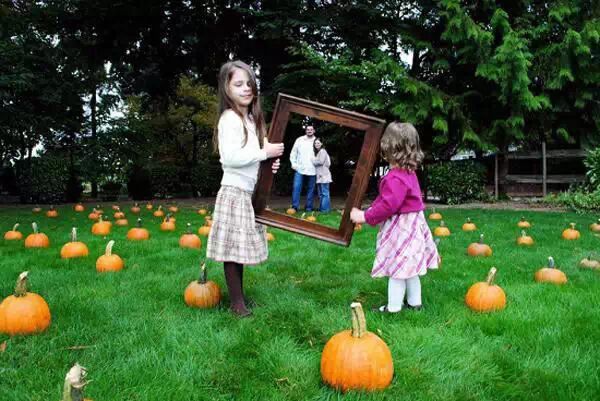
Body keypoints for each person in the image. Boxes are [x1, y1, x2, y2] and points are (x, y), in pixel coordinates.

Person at [207, 60, 284, 317]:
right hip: (234, 191)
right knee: (232, 250)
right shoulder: (229, 119)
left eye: (249, 83)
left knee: (239, 248)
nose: (246, 88)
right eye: (238, 84)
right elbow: (230, 158)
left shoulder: (251, 119)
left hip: (247, 193)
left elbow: (253, 157)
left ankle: (238, 298)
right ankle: (237, 304)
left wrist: (267, 165)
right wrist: (264, 153)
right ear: (226, 88)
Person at [350, 122, 439, 313]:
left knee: (397, 270)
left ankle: (393, 308)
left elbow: (388, 206)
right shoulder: (408, 173)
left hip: (402, 229)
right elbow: (386, 200)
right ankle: (415, 304)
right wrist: (372, 209)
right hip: (412, 226)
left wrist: (365, 216)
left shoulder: (395, 178)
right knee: (410, 268)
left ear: (389, 149)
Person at [289, 125, 316, 211]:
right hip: (299, 168)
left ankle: (308, 207)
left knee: (311, 189)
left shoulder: (317, 141)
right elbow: (293, 152)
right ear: (305, 131)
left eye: (311, 129)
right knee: (296, 187)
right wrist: (293, 164)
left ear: (314, 131)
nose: (309, 131)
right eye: (308, 129)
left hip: (313, 169)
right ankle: (295, 206)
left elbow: (321, 154)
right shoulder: (299, 140)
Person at [311, 137, 332, 213]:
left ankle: (324, 210)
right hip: (320, 176)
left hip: (324, 175)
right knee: (321, 194)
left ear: (321, 143)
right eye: (315, 143)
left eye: (318, 143)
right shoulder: (319, 152)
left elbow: (321, 162)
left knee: (324, 193)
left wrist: (313, 160)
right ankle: (324, 209)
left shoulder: (323, 151)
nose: (316, 144)